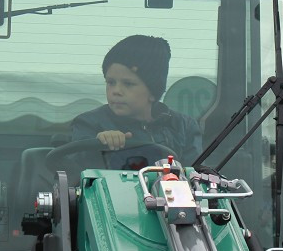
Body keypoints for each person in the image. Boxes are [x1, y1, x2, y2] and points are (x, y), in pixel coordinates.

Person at [72, 35, 202, 167]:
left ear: (153, 92)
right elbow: (77, 172)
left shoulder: (183, 127)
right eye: (111, 82)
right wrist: (98, 146)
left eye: (128, 84)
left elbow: (194, 175)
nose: (116, 91)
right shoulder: (89, 124)